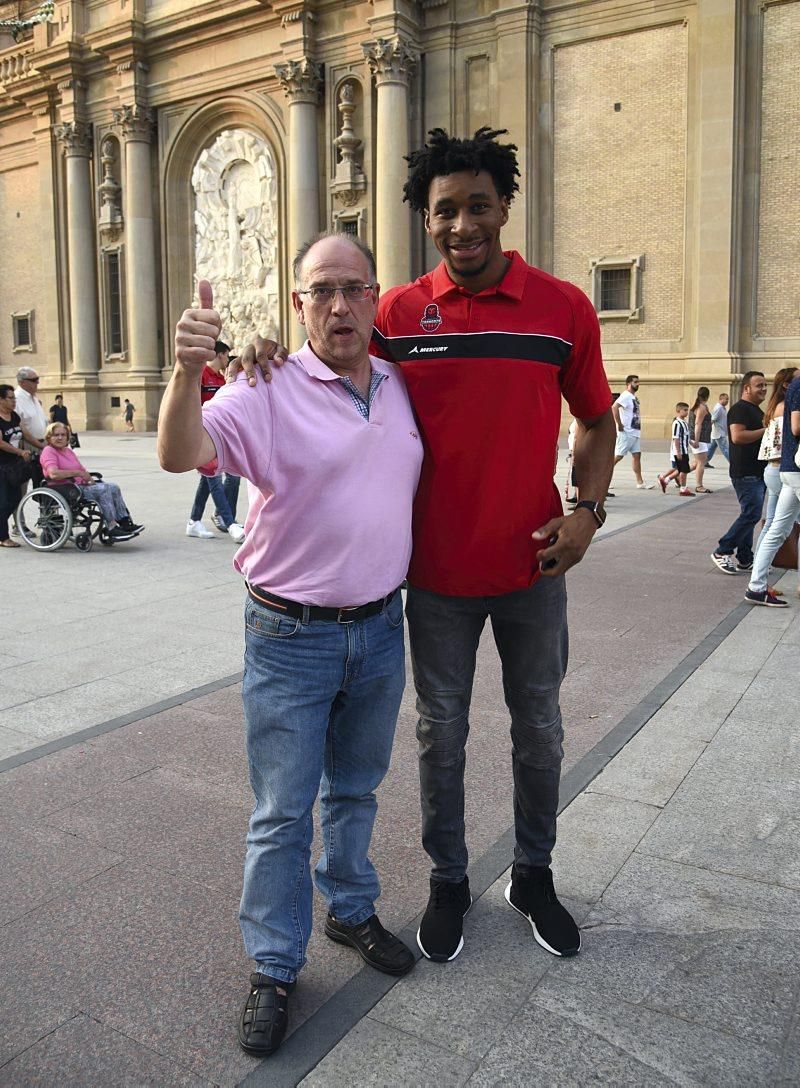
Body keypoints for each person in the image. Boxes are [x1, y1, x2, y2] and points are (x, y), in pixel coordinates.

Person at [239, 128, 616, 967]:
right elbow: (324, 359)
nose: (462, 225)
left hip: (533, 569)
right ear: (426, 220)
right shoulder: (401, 315)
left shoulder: (563, 308)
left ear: (503, 209)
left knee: (541, 729)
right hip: (435, 582)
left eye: (477, 206)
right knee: (439, 734)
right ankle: (449, 880)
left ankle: (532, 873)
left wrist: (588, 511)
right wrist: (262, 346)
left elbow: (597, 418)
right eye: (444, 210)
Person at [160, 235, 423, 1058]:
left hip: (381, 628)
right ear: (298, 303)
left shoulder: (397, 382)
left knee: (357, 791)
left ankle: (348, 910)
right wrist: (184, 369)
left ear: (375, 295)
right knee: (281, 813)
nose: (339, 306)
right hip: (290, 635)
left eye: (353, 289)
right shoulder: (265, 385)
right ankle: (273, 965)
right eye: (321, 292)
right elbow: (178, 454)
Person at [744, 370, 800, 607]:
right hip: (792, 469)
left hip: (786, 468)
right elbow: (796, 428)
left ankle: (756, 587)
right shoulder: (797, 389)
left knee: (778, 527)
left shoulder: (789, 393)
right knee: (776, 526)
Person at [185, 339, 246, 542]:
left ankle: (194, 521)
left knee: (218, 478)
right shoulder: (201, 375)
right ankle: (229, 523)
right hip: (202, 435)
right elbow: (189, 401)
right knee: (214, 479)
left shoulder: (221, 379)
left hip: (222, 435)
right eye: (226, 356)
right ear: (220, 355)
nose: (227, 360)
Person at [39, 423, 144, 540]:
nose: (60, 438)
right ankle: (111, 527)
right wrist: (77, 473)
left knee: (113, 487)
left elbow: (82, 470)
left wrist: (90, 480)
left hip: (79, 486)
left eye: (63, 435)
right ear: (49, 437)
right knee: (103, 489)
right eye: (56, 435)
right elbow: (54, 473)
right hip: (66, 489)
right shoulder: (49, 451)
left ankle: (125, 523)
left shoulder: (68, 452)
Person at [711, 371, 768, 575]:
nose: (763, 389)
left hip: (756, 471)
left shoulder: (755, 410)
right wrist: (767, 431)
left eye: (764, 385)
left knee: (750, 514)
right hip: (745, 472)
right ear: (746, 388)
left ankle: (745, 558)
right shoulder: (740, 409)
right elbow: (737, 436)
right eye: (758, 385)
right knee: (752, 514)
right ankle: (722, 550)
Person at [753, 368, 799, 562]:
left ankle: (759, 565)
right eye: (796, 379)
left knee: (772, 522)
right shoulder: (784, 408)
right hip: (782, 466)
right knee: (778, 524)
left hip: (773, 469)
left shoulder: (775, 406)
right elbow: (786, 440)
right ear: (787, 385)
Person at [0, 384, 33, 548]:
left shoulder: (14, 416)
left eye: (14, 398)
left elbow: (26, 435)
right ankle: (3, 537)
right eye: (10, 398)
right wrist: (19, 452)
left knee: (15, 499)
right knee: (5, 501)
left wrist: (45, 446)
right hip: (1, 466)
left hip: (13, 466)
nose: (14, 401)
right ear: (1, 400)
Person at [612, 375, 654, 488]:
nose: (638, 384)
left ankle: (640, 482)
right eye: (635, 382)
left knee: (637, 455)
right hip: (627, 432)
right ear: (628, 384)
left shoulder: (633, 397)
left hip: (634, 432)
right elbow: (614, 407)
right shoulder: (625, 396)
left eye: (638, 382)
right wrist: (619, 424)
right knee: (618, 456)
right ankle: (603, 479)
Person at [658, 402, 693, 495]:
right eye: (684, 410)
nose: (686, 412)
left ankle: (665, 481)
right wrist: (678, 452)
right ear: (678, 411)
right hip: (680, 451)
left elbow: (686, 437)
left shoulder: (684, 423)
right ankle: (683, 488)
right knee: (684, 470)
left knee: (680, 470)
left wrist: (692, 443)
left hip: (684, 450)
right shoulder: (677, 423)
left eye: (687, 410)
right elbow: (676, 438)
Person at [687, 387, 713, 493]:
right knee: (701, 462)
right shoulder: (701, 407)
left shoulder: (698, 406)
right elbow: (698, 424)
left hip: (699, 438)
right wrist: (697, 440)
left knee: (695, 463)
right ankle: (699, 486)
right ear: (707, 396)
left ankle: (675, 476)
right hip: (699, 438)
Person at [706, 392, 729, 466]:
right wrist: (707, 430)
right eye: (726, 399)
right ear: (721, 399)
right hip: (719, 433)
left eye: (728, 399)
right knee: (725, 449)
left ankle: (704, 462)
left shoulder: (722, 408)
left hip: (718, 432)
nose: (727, 401)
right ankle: (734, 463)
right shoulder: (718, 408)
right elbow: (712, 420)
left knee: (711, 448)